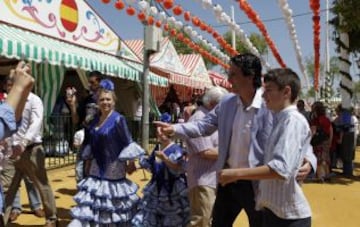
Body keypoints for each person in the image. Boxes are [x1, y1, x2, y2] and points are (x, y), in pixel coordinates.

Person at [155, 53, 316, 227]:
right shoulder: (226, 103)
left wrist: (309, 160)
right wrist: (174, 129)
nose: (229, 79)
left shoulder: (271, 103)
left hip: (257, 183)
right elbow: (203, 126)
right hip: (229, 180)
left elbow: (293, 135)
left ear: (250, 76)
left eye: (233, 74)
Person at [218, 68, 312, 227]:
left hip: (287, 218)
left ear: (286, 92)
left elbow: (281, 168)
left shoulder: (292, 121)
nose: (263, 95)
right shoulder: (281, 119)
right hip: (275, 212)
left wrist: (236, 173)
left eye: (268, 90)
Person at [69, 79, 145, 227]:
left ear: (114, 101)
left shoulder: (118, 119)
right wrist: (88, 164)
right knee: (97, 200)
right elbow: (91, 143)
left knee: (112, 200)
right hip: (96, 167)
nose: (105, 102)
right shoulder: (95, 120)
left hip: (114, 167)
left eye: (108, 99)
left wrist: (131, 163)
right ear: (98, 102)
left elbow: (127, 141)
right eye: (102, 99)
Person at [2, 74, 58, 227]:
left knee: (41, 185)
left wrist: (23, 143)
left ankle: (52, 218)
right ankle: (3, 219)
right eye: (9, 84)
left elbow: (36, 123)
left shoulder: (34, 100)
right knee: (8, 188)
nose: (11, 87)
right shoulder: (7, 103)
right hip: (11, 152)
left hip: (31, 150)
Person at [132, 112, 189, 227]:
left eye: (162, 130)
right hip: (156, 186)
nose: (160, 133)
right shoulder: (157, 147)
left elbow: (178, 168)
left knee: (172, 218)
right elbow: (149, 164)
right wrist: (137, 162)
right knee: (150, 215)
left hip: (172, 189)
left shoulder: (176, 149)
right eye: (158, 131)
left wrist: (165, 158)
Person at [185, 87, 228, 227]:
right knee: (201, 220)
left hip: (213, 179)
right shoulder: (198, 119)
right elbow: (206, 152)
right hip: (202, 180)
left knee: (209, 219)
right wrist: (232, 152)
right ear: (211, 103)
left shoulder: (212, 120)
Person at [310, 102, 333, 181]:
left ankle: (320, 176)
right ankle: (327, 174)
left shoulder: (315, 120)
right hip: (326, 140)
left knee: (319, 159)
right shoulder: (326, 119)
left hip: (318, 142)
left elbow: (313, 131)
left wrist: (309, 140)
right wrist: (330, 141)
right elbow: (331, 130)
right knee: (325, 158)